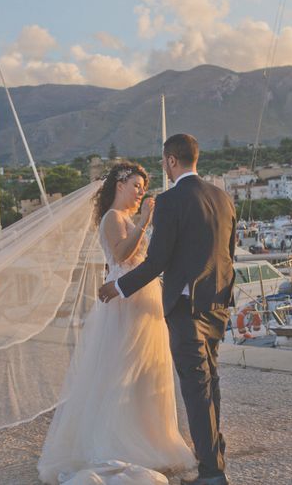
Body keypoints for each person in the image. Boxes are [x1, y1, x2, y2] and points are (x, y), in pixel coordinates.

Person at [38, 161, 194, 485]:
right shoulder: (112, 218)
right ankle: (119, 441)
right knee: (123, 369)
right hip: (124, 306)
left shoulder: (125, 218)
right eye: (135, 186)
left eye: (142, 187)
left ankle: (149, 436)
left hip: (142, 300)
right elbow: (122, 255)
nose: (140, 192)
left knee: (145, 373)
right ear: (119, 185)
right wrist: (146, 219)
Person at [98, 134, 236, 485]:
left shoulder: (172, 201)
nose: (163, 167)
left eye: (163, 162)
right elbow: (229, 254)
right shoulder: (222, 197)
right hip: (217, 304)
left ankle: (212, 473)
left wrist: (118, 286)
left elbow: (157, 261)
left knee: (196, 387)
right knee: (211, 382)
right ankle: (214, 459)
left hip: (186, 308)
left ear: (171, 161)